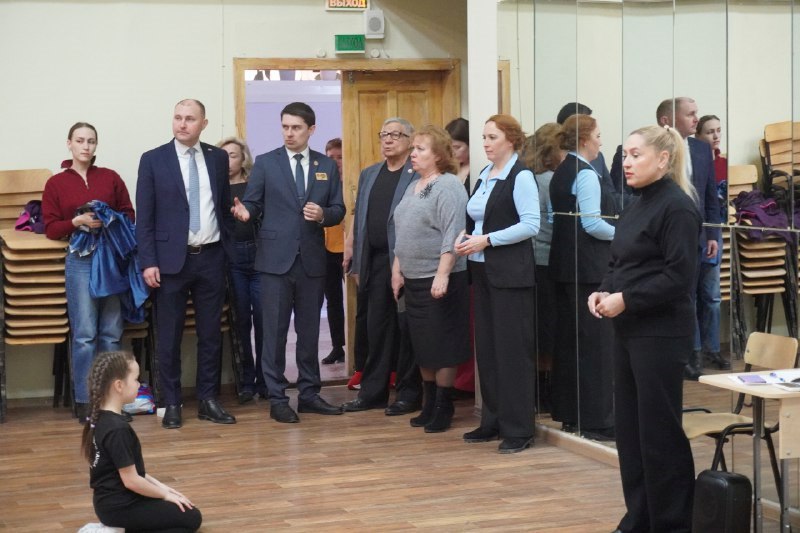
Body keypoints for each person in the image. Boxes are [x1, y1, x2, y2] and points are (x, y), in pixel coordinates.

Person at [589, 124, 699, 533]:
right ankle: (639, 518)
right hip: (628, 328)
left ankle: (671, 523)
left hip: (661, 333)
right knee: (631, 433)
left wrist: (627, 299)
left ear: (663, 159)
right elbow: (619, 262)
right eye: (626, 155)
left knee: (659, 434)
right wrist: (603, 290)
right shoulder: (635, 205)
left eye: (637, 155)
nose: (627, 162)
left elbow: (678, 277)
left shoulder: (678, 208)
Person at [232, 102, 345, 423]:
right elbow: (253, 202)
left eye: (296, 127)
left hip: (311, 261)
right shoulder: (267, 163)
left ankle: (309, 394)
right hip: (274, 261)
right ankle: (277, 397)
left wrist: (323, 215)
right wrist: (246, 212)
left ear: (311, 129)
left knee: (309, 332)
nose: (289, 133)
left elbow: (338, 209)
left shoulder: (326, 165)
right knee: (275, 332)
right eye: (285, 127)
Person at [136, 99, 237, 429]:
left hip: (211, 257)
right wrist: (148, 261)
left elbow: (222, 206)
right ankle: (172, 402)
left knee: (210, 334)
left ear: (203, 124)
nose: (182, 124)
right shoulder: (153, 159)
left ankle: (208, 400)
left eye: (190, 119)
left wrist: (228, 248)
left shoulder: (218, 158)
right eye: (178, 117)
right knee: (169, 336)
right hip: (169, 263)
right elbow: (144, 218)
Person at [455, 114, 539, 454]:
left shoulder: (521, 176)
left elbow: (530, 225)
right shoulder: (485, 174)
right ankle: (492, 420)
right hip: (482, 272)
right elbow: (477, 220)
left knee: (512, 352)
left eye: (492, 137)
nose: (486, 144)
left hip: (510, 277)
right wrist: (466, 236)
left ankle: (519, 428)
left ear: (511, 140)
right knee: (488, 352)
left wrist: (487, 240)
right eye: (484, 137)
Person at [42, 122, 135, 423]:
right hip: (80, 261)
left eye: (91, 141)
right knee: (84, 335)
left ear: (96, 145)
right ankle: (85, 403)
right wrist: (76, 221)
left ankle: (111, 402)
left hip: (111, 260)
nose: (86, 146)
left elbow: (129, 214)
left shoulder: (110, 177)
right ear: (69, 143)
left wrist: (111, 219)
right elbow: (51, 228)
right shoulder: (56, 184)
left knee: (111, 333)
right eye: (80, 140)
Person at [340, 117, 423, 417]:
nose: (388, 140)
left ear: (410, 141)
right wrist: (351, 245)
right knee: (376, 328)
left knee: (406, 329)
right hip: (374, 262)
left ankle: (408, 394)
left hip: (407, 262)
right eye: (384, 134)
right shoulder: (370, 173)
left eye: (395, 135)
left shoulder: (417, 174)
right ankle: (372, 393)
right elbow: (359, 213)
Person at [391, 125, 469, 433]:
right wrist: (397, 269)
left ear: (438, 155)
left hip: (440, 279)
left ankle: (443, 405)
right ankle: (428, 402)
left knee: (442, 345)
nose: (413, 153)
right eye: (413, 148)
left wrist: (442, 274)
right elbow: (403, 230)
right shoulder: (414, 184)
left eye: (420, 149)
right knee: (422, 344)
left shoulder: (448, 185)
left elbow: (454, 232)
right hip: (413, 279)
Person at [549, 114, 616, 441]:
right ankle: (597, 420)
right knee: (596, 347)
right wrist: (624, 234)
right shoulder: (586, 174)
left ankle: (570, 414)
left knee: (570, 345)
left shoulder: (561, 171)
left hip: (564, 266)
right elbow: (592, 224)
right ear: (585, 139)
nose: (601, 142)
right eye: (598, 135)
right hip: (589, 270)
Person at [82, 351, 202, 532]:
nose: (140, 384)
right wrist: (164, 496)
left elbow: (135, 473)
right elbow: (131, 481)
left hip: (109, 505)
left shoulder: (101, 418)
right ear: (119, 385)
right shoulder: (117, 429)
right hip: (120, 507)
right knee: (191, 519)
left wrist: (165, 490)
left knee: (184, 513)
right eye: (136, 379)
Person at [657, 97, 722, 379]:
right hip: (666, 235)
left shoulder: (701, 148)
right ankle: (686, 353)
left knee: (701, 295)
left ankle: (698, 353)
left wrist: (713, 233)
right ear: (667, 120)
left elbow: (709, 195)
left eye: (697, 114)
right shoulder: (653, 147)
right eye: (690, 114)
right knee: (680, 295)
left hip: (699, 234)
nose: (696, 119)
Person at [217, 137, 266, 403]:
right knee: (241, 322)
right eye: (223, 156)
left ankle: (265, 379)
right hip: (232, 257)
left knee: (263, 321)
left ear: (243, 158)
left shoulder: (255, 185)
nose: (228, 161)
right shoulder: (215, 187)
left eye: (233, 155)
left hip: (258, 256)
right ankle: (247, 381)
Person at [521, 123, 564, 413]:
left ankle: (537, 390)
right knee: (548, 332)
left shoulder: (527, 177)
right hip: (548, 261)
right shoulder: (550, 180)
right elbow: (556, 223)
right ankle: (546, 392)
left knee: (537, 329)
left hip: (530, 261)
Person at [695, 114, 729, 370]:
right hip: (692, 234)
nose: (716, 136)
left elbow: (717, 203)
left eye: (718, 130)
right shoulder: (693, 159)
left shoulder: (723, 163)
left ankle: (712, 349)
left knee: (712, 297)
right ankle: (694, 352)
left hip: (712, 234)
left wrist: (714, 235)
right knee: (691, 297)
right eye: (709, 131)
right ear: (697, 136)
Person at [444, 117, 475, 397]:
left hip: (469, 249)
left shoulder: (477, 172)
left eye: (458, 147)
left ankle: (467, 381)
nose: (454, 152)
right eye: (450, 147)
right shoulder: (447, 173)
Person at [320, 138, 347, 365]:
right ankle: (338, 347)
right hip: (327, 249)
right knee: (333, 300)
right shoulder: (323, 183)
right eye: (331, 157)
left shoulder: (353, 182)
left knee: (356, 299)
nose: (336, 162)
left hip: (349, 248)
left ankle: (358, 348)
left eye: (340, 157)